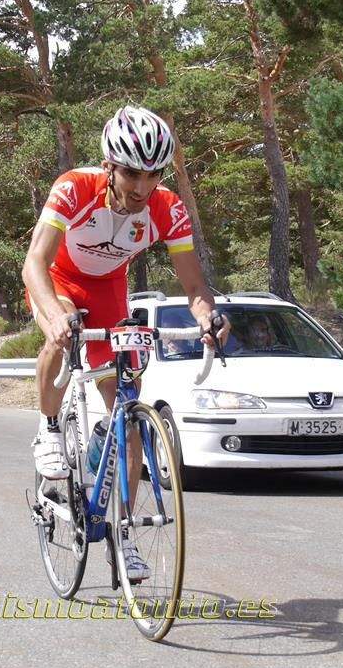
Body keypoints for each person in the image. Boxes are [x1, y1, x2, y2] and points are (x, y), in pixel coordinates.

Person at [21, 105, 230, 581]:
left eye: (152, 175)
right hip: (58, 282)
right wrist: (54, 314)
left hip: (110, 289)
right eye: (132, 173)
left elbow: (196, 288)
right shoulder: (74, 187)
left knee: (129, 416)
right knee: (66, 329)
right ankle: (50, 427)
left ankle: (125, 532)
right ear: (110, 166)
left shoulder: (167, 208)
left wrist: (208, 317)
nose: (141, 187)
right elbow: (34, 263)